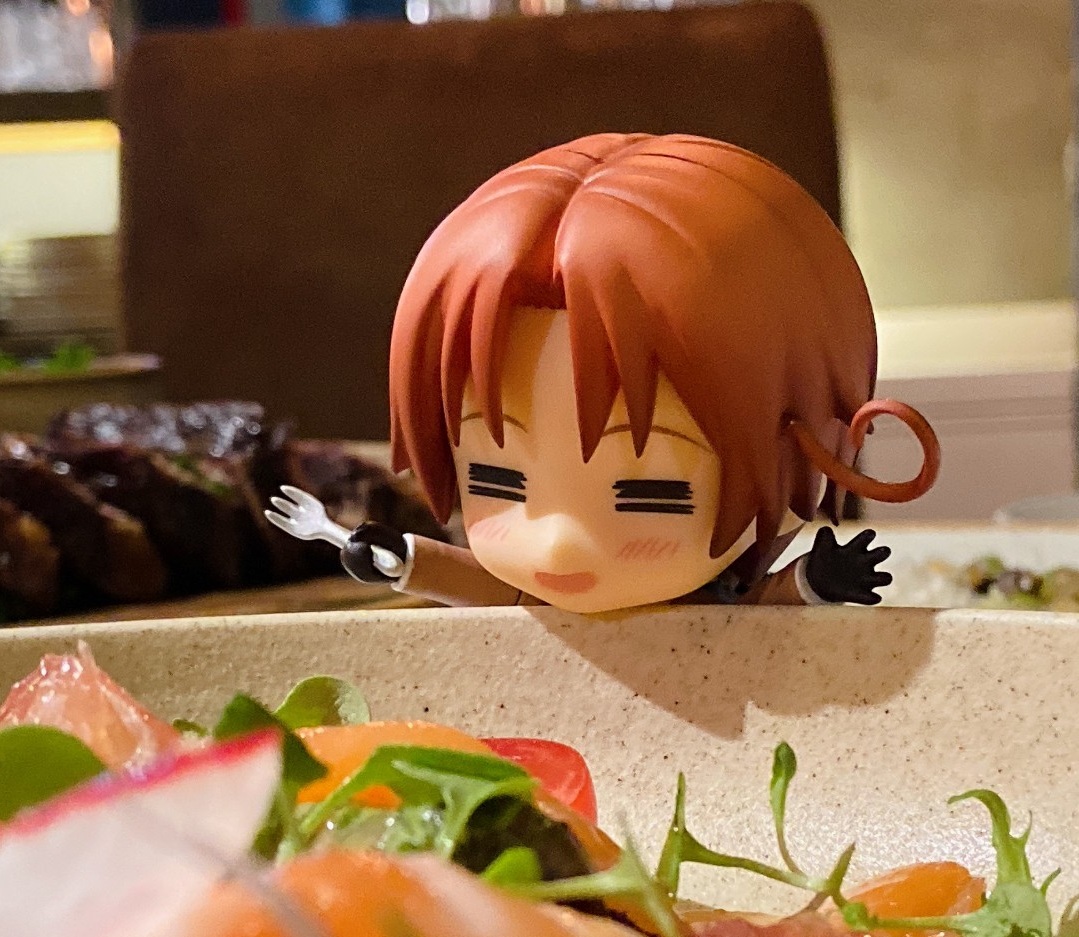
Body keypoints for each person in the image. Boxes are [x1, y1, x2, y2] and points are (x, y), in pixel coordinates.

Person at [287, 134, 940, 610]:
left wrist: (814, 583)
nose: (558, 545)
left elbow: (762, 607)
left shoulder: (715, 598)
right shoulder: (533, 598)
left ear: (814, 439)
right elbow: (483, 588)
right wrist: (397, 559)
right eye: (496, 480)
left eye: (650, 494)